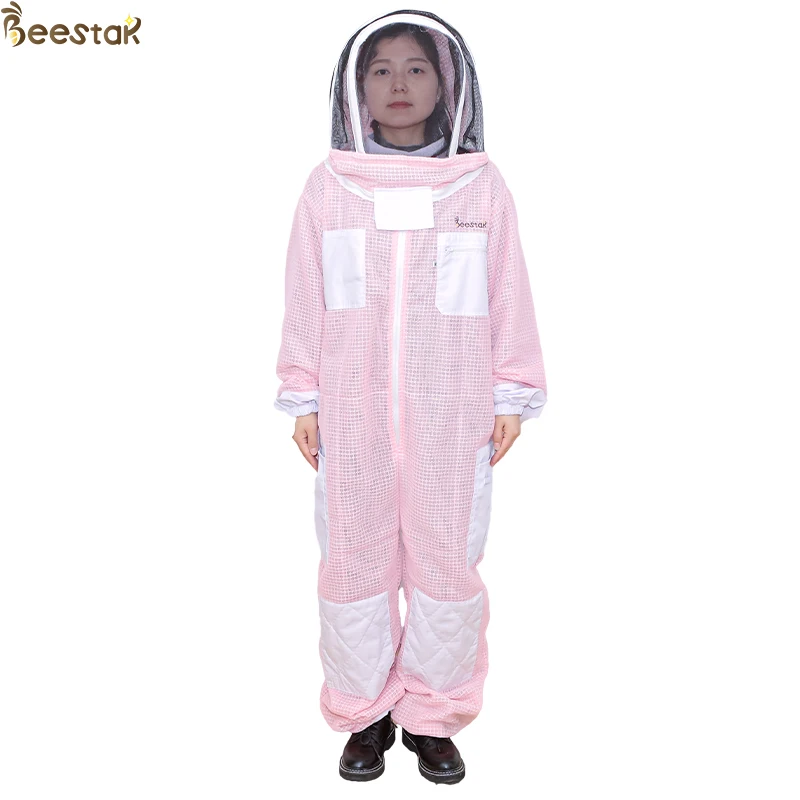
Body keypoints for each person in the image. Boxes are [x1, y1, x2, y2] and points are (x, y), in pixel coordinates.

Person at [273, 9, 547, 784]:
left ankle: (433, 714)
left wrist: (510, 393)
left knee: (447, 565)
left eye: (417, 68)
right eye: (382, 69)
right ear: (355, 89)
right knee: (353, 564)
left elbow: (507, 293)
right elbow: (305, 297)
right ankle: (363, 713)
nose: (399, 83)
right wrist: (304, 397)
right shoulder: (330, 188)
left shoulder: (480, 186)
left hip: (451, 416)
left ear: (448, 84)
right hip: (352, 416)